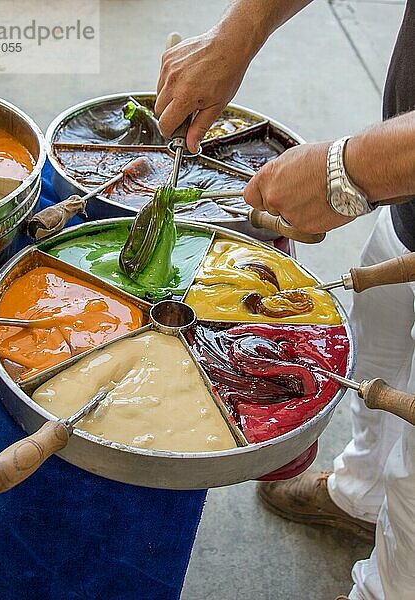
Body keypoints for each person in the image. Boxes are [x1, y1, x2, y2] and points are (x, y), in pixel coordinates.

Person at [155, 2, 415, 599]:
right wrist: (238, 31)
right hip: (411, 201)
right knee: (376, 355)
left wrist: (348, 170)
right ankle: (361, 496)